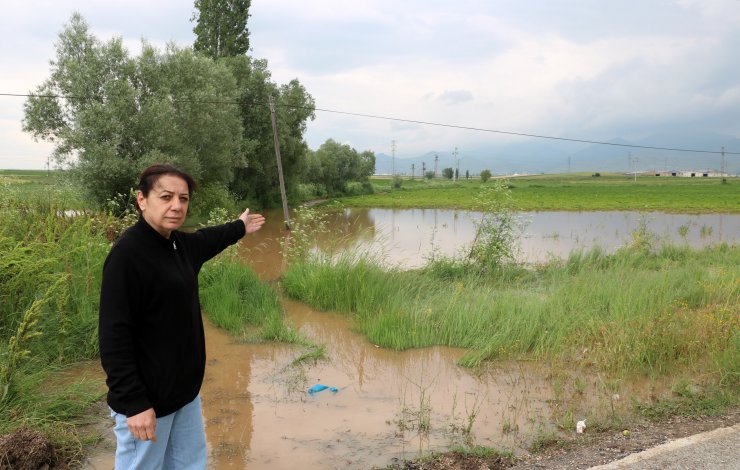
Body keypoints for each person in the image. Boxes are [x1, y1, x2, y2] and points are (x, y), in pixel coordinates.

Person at [98, 163, 265, 469]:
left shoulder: (177, 244)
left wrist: (239, 226)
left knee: (190, 465)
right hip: (147, 401)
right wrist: (134, 403)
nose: (176, 206)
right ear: (142, 199)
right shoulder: (127, 255)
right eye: (166, 196)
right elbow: (114, 335)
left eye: (183, 199)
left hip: (184, 395)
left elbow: (209, 239)